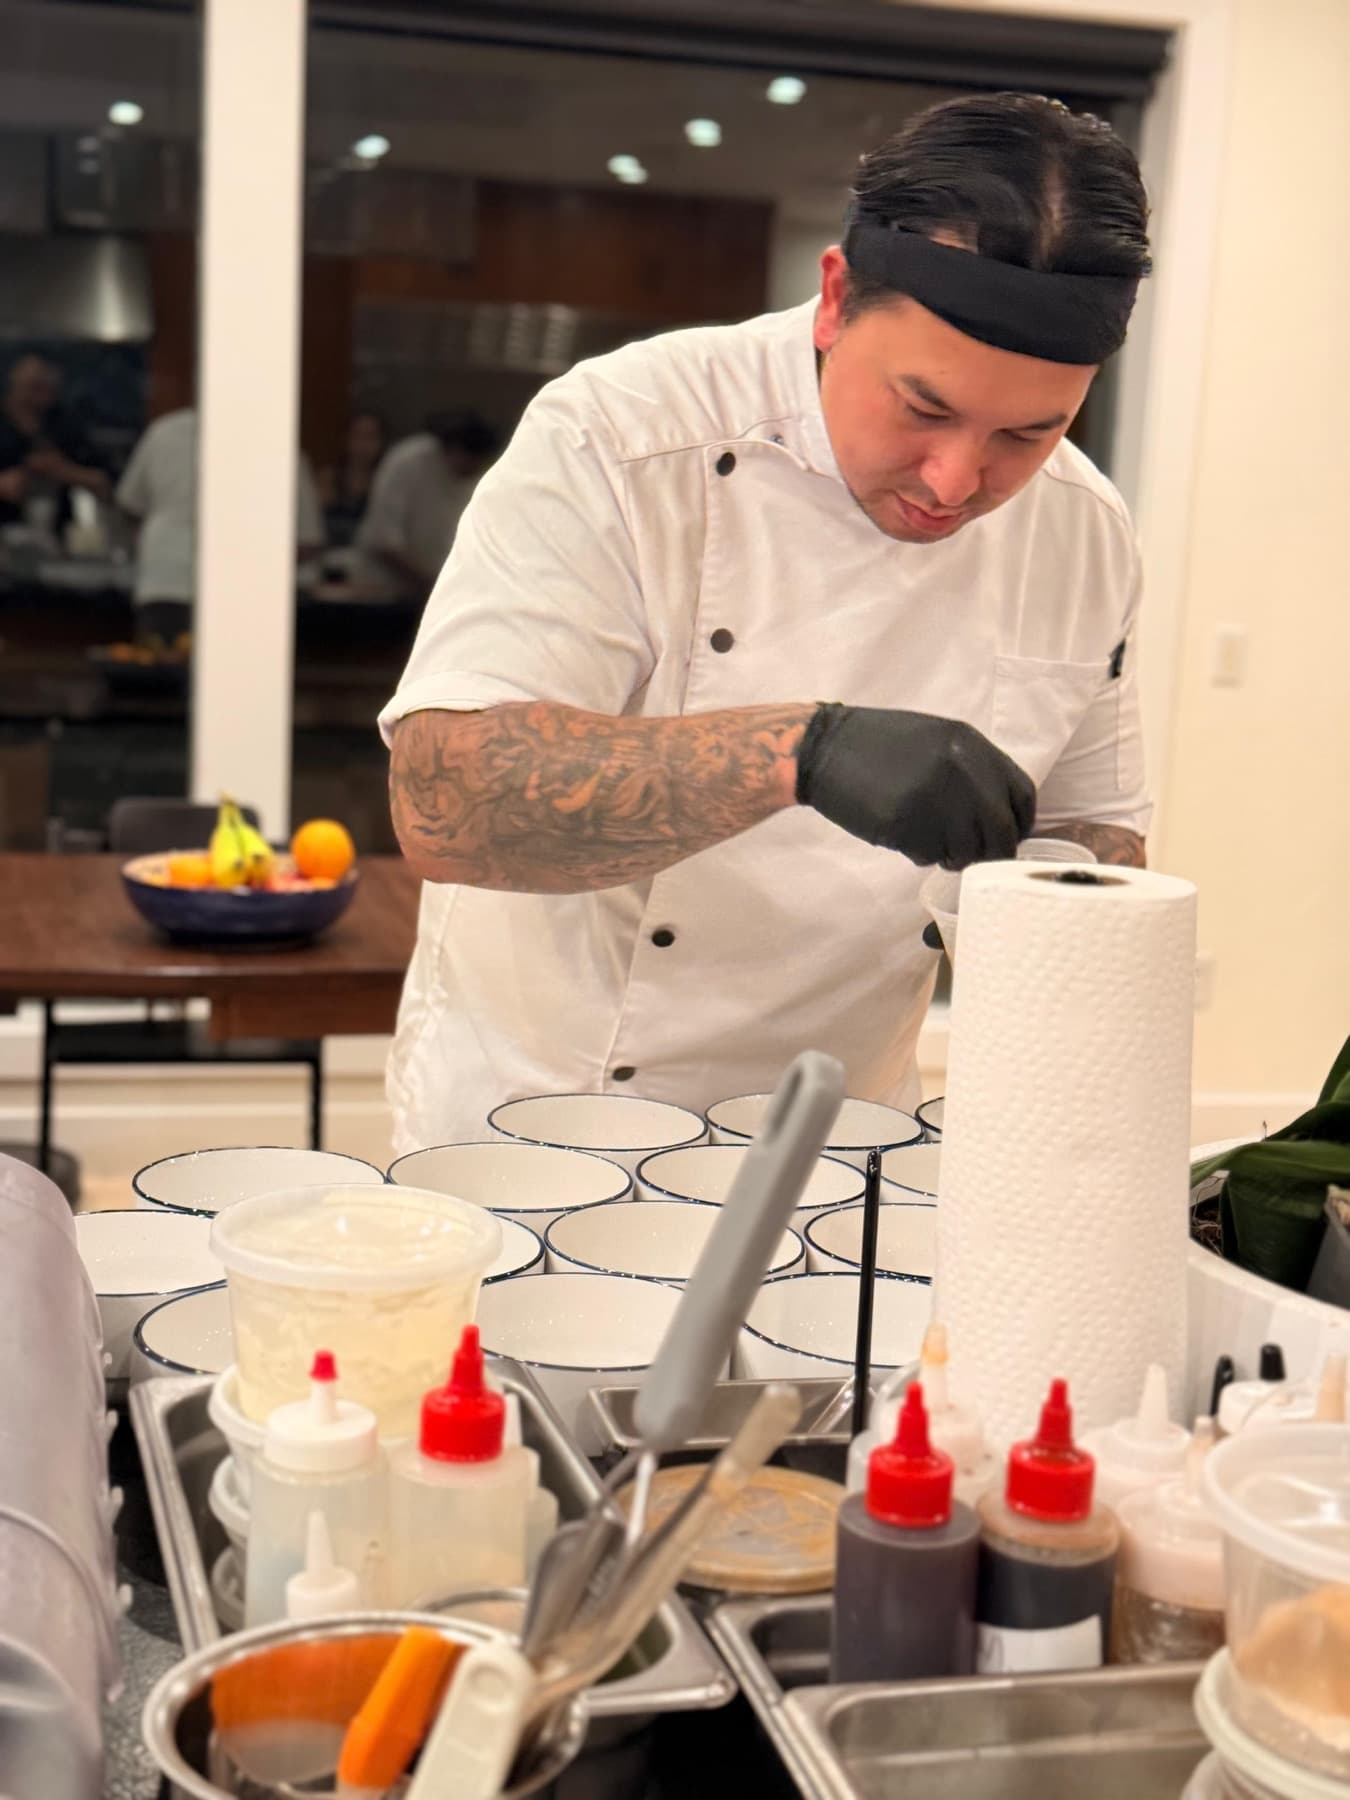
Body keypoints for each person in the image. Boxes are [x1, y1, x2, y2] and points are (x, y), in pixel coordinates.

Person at [379, 93, 1154, 1154]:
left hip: (836, 1139)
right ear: (835, 300)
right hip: (539, 1125)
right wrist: (803, 751)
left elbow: (1094, 840)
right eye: (924, 408)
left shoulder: (1083, 531)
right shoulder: (624, 435)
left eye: (1030, 432)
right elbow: (443, 799)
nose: (957, 479)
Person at [116, 407, 323, 644]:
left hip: (167, 582)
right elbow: (307, 540)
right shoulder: (279, 443)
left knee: (164, 673)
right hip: (239, 594)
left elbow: (130, 505)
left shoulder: (164, 432)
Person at [355, 409, 499, 599]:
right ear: (453, 448)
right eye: (470, 462)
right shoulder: (408, 461)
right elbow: (384, 541)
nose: (473, 469)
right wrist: (430, 583)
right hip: (383, 590)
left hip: (442, 591)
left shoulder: (478, 476)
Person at [0, 352, 110, 530]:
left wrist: (64, 470)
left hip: (58, 536)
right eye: (34, 387)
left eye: (48, 387)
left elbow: (106, 483)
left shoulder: (65, 425)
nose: (41, 396)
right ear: (13, 383)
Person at [317, 409, 387, 549]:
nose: (363, 444)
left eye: (370, 437)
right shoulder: (328, 478)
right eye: (357, 436)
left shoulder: (387, 480)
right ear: (346, 439)